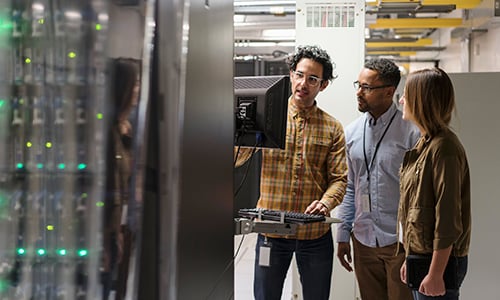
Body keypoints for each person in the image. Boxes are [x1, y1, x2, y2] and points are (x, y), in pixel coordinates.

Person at [235, 45, 347, 300]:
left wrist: (326, 202)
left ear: (324, 85)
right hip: (271, 231)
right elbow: (237, 160)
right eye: (299, 74)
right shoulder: (268, 116)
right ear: (291, 75)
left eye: (312, 79)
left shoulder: (332, 127)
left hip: (314, 235)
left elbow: (339, 179)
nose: (303, 83)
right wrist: (242, 128)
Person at [335, 58, 419, 300]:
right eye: (358, 85)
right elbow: (351, 187)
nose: (359, 93)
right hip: (363, 241)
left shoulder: (412, 133)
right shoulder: (351, 133)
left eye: (367, 88)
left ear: (389, 92)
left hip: (400, 244)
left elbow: (418, 193)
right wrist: (343, 235)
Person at [398, 67, 471, 299]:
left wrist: (436, 272)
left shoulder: (444, 148)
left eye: (406, 96)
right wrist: (410, 258)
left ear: (421, 101)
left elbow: (448, 217)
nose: (401, 101)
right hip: (423, 257)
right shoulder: (425, 144)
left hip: (438, 262)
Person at [102, 57, 141, 300]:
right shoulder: (106, 133)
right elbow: (108, 189)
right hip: (108, 231)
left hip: (123, 226)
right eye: (134, 84)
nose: (138, 89)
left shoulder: (124, 128)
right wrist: (108, 236)